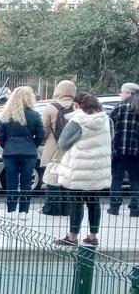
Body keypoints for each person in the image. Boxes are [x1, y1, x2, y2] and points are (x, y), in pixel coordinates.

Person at [54, 93, 113, 247]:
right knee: (94, 201)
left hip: (80, 167)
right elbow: (110, 138)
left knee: (77, 202)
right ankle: (93, 236)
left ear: (78, 105)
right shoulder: (106, 119)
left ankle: (72, 237)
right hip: (98, 167)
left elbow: (63, 143)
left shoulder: (78, 121)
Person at [0, 86, 45, 219]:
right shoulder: (34, 115)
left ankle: (11, 210)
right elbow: (41, 134)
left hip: (10, 151)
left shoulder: (6, 115)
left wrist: (7, 145)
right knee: (26, 182)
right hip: (29, 151)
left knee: (11, 181)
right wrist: (32, 145)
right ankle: (24, 211)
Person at [107, 82, 139, 217]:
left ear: (128, 93)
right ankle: (135, 208)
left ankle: (114, 207)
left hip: (118, 150)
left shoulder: (118, 107)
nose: (120, 94)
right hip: (136, 151)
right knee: (135, 179)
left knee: (117, 179)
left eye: (122, 92)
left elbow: (108, 126)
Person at [40, 80, 76, 188]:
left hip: (53, 149)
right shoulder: (78, 106)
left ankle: (53, 204)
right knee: (69, 182)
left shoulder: (50, 107)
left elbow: (44, 129)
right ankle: (67, 205)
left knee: (53, 181)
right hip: (73, 149)